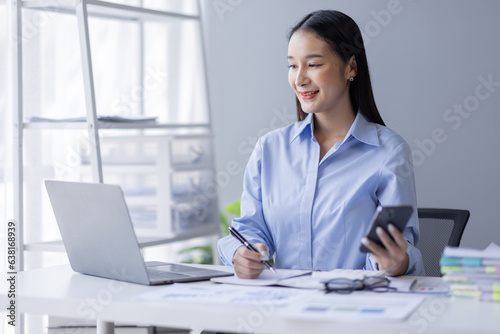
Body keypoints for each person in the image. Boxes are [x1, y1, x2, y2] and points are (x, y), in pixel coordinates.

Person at [218, 10, 425, 279]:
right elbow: (249, 229)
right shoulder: (269, 149)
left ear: (351, 66)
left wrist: (395, 262)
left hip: (354, 308)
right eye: (293, 65)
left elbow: (400, 249)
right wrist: (240, 253)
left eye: (313, 64)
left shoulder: (388, 152)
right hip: (282, 306)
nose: (299, 78)